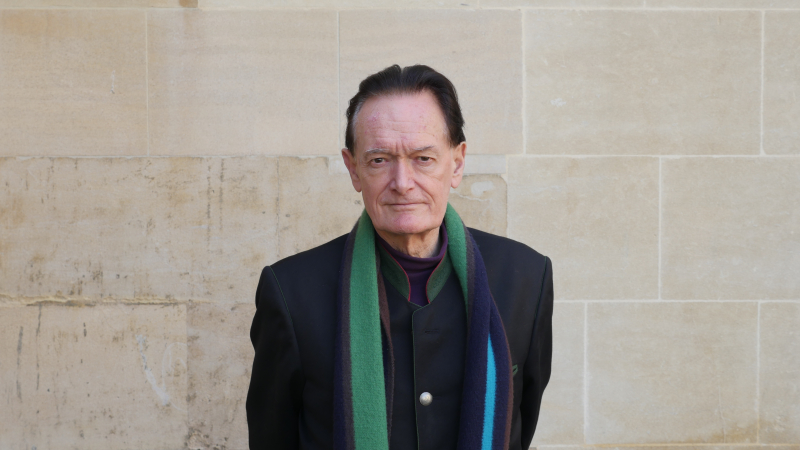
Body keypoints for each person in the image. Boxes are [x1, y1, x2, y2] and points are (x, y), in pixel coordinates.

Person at [246, 64, 553, 450]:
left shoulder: (526, 278)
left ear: (457, 164)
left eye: (423, 158)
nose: (403, 183)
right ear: (353, 169)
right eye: (379, 160)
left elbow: (520, 423)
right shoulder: (291, 292)